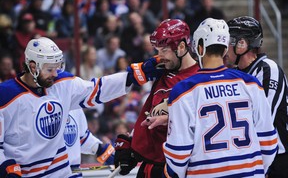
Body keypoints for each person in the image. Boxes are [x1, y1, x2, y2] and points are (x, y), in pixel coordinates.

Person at [0, 36, 159, 177]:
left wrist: (134, 76)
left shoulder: (62, 83)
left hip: (61, 172)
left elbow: (97, 89)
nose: (55, 74)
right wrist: (6, 168)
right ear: (33, 67)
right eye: (49, 69)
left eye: (57, 67)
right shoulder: (6, 96)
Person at [163, 18, 278, 177]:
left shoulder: (183, 91)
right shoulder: (251, 84)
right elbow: (269, 144)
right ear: (225, 50)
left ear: (200, 48)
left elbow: (178, 156)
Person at [114, 19, 199, 177]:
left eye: (164, 50)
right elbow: (150, 114)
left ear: (181, 47)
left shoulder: (200, 79)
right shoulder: (163, 71)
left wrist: (169, 118)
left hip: (177, 169)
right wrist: (132, 144)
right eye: (158, 50)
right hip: (150, 168)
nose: (159, 56)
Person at [225, 16, 288, 178]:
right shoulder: (235, 74)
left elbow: (265, 120)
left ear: (242, 44)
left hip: (277, 157)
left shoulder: (268, 69)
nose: (226, 47)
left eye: (230, 41)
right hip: (253, 156)